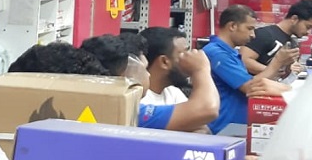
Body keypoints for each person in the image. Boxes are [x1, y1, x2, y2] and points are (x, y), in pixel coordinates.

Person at [78, 36, 219, 133]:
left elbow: (202, 125)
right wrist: (201, 69)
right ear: (125, 74)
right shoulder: (132, 112)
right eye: (145, 68)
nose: (149, 74)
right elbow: (207, 109)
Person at [204, 5, 293, 135]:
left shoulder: (230, 53)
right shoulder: (217, 54)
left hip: (233, 128)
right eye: (249, 29)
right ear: (233, 26)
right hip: (222, 129)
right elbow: (251, 88)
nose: (253, 35)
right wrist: (277, 62)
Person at [240, 0, 312, 76]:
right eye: (308, 27)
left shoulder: (292, 43)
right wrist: (276, 71)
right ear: (294, 19)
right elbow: (244, 60)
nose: (308, 32)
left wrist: (291, 69)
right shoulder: (265, 34)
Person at [139, 27, 189, 105]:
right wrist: (201, 70)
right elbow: (206, 108)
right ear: (164, 62)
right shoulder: (140, 101)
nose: (190, 60)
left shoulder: (173, 93)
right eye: (184, 54)